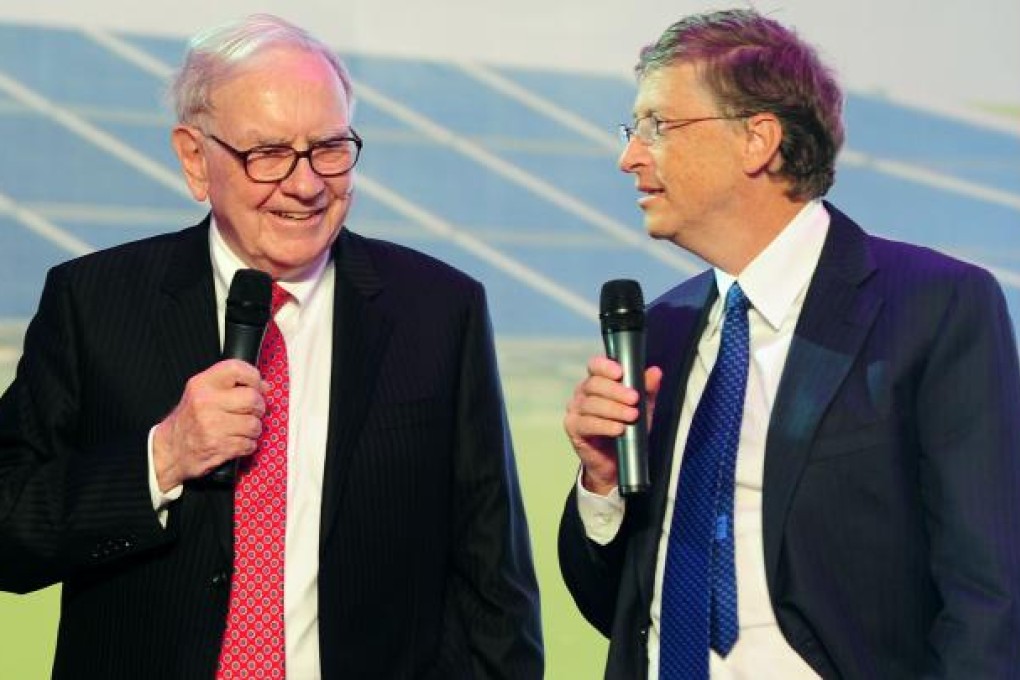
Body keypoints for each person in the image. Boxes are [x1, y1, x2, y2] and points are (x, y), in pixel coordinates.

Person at [0, 13, 543, 679]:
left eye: (330, 148)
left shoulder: (440, 311)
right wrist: (162, 457)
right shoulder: (93, 303)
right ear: (195, 159)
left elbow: (496, 587)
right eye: (269, 154)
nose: (307, 183)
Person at [559, 8, 1020, 679]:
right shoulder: (661, 329)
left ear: (758, 140)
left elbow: (989, 599)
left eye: (658, 126)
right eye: (633, 129)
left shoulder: (934, 308)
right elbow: (620, 608)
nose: (628, 155)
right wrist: (601, 484)